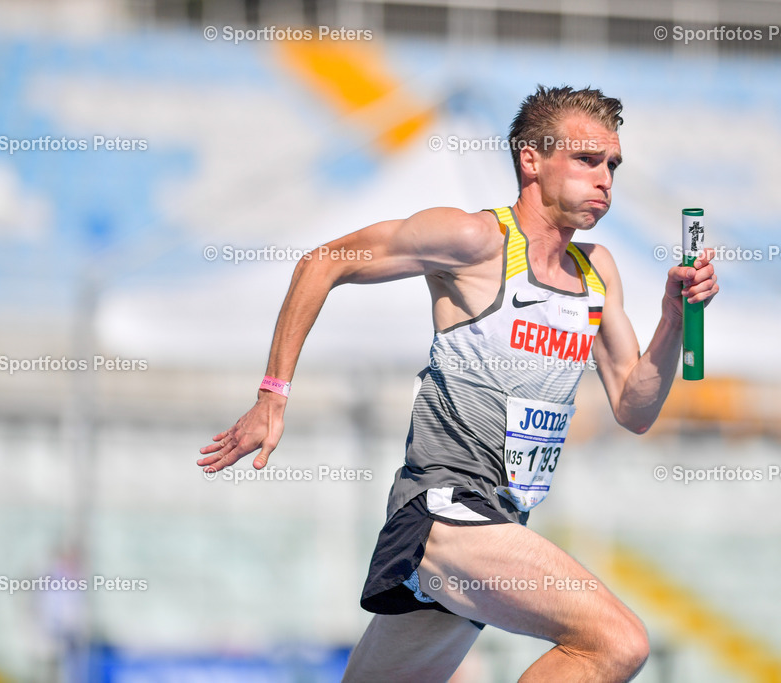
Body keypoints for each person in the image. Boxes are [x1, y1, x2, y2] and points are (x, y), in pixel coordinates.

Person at [198, 85, 718, 682]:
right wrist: (272, 394)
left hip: (498, 526)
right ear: (531, 159)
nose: (604, 180)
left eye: (612, 166)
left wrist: (673, 320)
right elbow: (324, 261)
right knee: (617, 642)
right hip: (446, 513)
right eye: (586, 160)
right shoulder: (475, 241)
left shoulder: (596, 271)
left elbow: (635, 406)